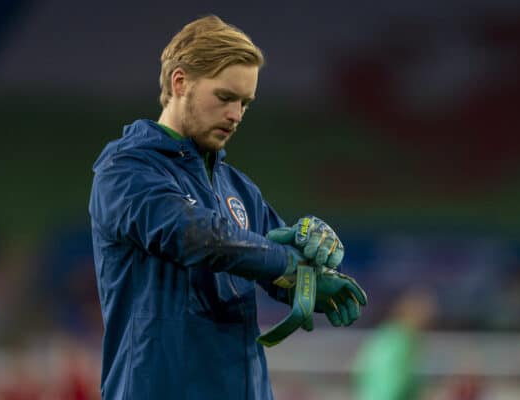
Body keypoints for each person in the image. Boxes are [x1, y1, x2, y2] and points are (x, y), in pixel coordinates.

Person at [89, 15, 367, 400]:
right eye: (225, 97)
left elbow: (275, 263)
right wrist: (287, 264)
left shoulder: (238, 188)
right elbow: (197, 236)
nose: (236, 115)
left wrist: (314, 265)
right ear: (180, 82)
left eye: (245, 103)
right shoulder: (126, 170)